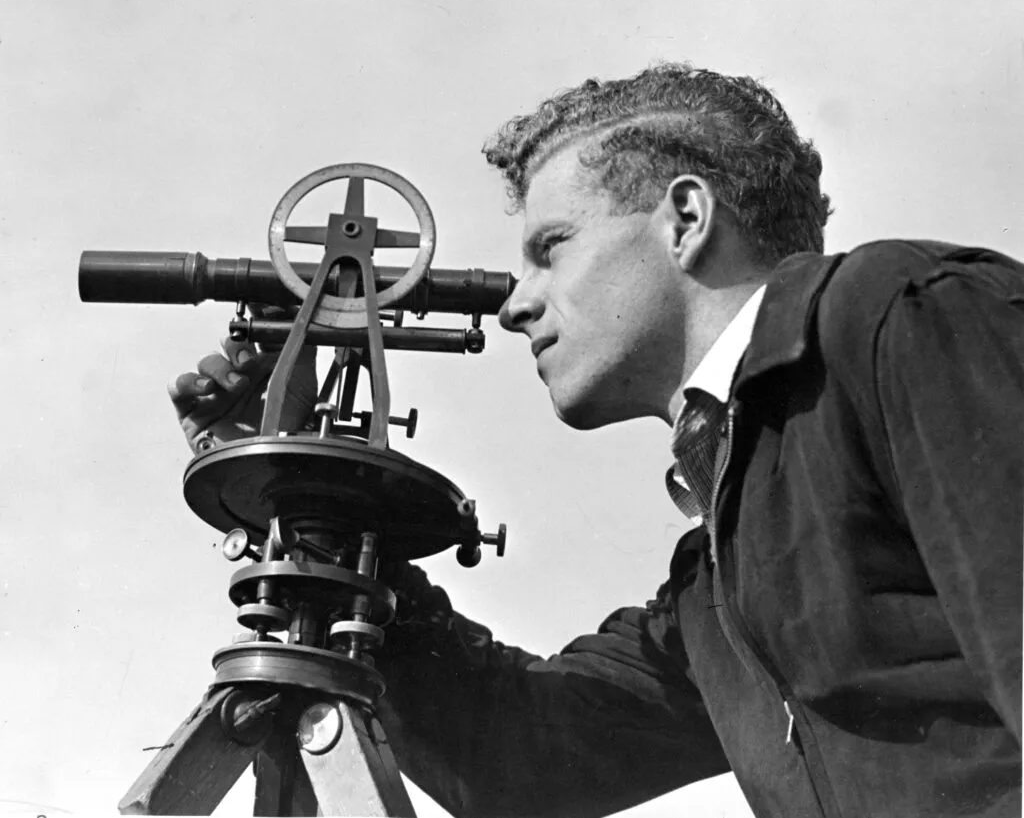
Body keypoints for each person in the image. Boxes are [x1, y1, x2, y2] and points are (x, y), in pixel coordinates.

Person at [170, 64, 1023, 817]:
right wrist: (319, 527)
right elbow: (519, 758)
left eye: (552, 247)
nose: (516, 302)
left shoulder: (900, 316)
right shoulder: (719, 575)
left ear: (685, 219)